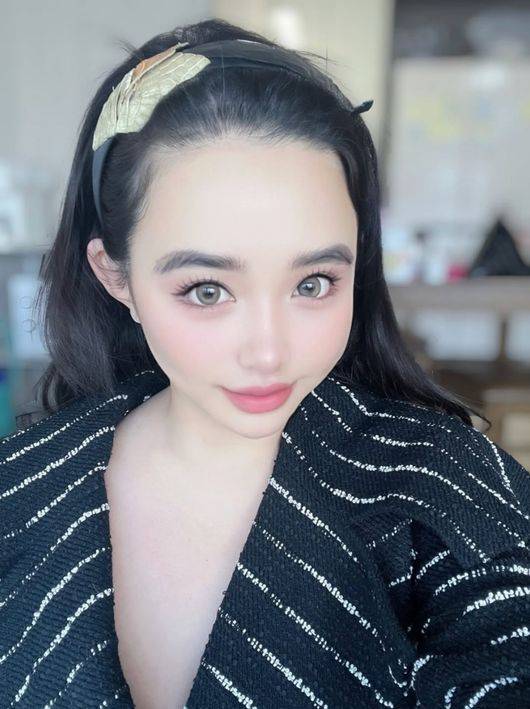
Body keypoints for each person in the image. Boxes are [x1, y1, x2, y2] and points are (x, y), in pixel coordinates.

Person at [1, 17, 529, 709]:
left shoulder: (447, 483)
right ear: (115, 276)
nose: (270, 351)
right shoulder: (19, 487)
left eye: (313, 283)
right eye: (207, 290)